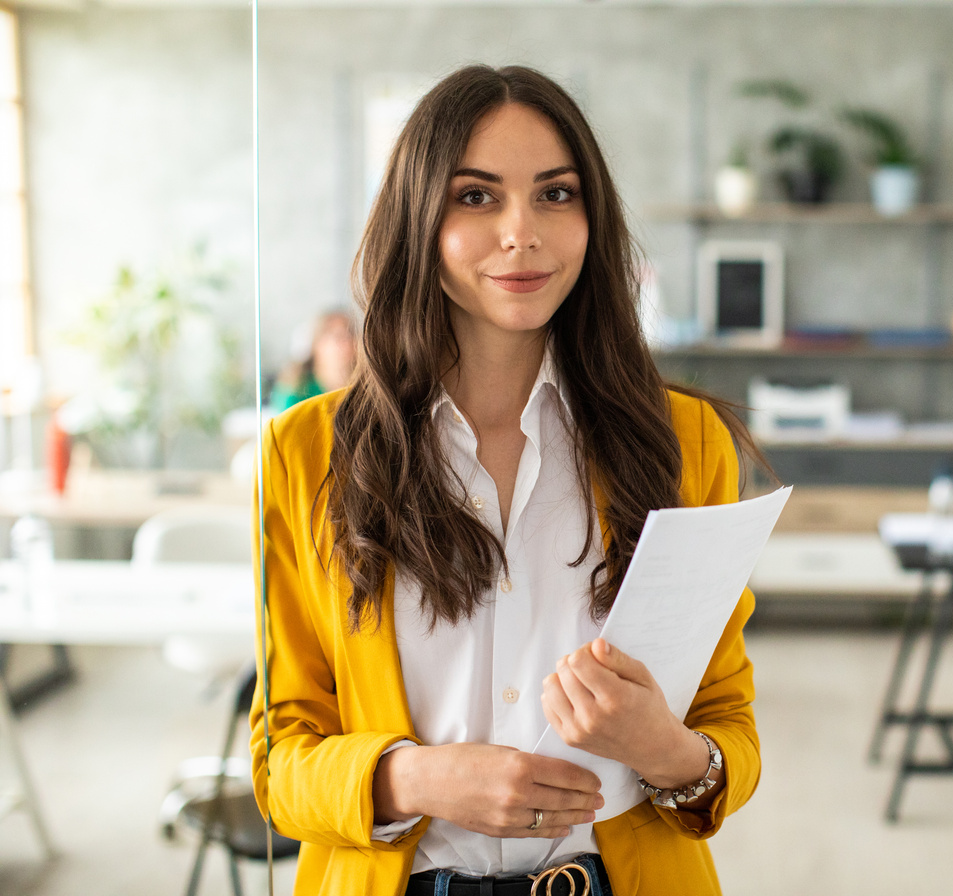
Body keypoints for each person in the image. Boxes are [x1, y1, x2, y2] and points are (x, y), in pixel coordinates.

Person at [250, 65, 763, 896]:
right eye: (476, 196)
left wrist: (664, 749)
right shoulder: (306, 452)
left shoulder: (684, 442)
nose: (521, 233)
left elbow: (727, 728)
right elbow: (280, 763)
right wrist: (414, 779)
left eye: (556, 194)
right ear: (418, 219)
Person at [267, 309, 358, 412]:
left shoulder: (364, 390)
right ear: (317, 344)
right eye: (336, 335)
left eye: (350, 333)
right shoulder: (296, 392)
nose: (346, 341)